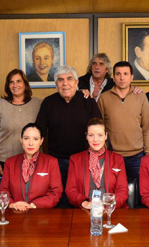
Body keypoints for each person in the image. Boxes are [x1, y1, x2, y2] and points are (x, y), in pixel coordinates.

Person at [36, 66, 102, 207]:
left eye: (69, 79)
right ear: (56, 85)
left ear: (77, 82)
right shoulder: (48, 102)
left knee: (80, 199)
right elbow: (39, 132)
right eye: (60, 80)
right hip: (57, 162)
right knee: (60, 201)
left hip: (83, 161)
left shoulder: (88, 101)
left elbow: (99, 128)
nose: (65, 83)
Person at [98, 61, 149, 183]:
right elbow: (99, 128)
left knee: (138, 193)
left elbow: (147, 127)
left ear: (131, 77)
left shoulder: (140, 96)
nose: (122, 77)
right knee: (113, 191)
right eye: (118, 74)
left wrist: (148, 153)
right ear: (113, 77)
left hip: (137, 156)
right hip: (112, 155)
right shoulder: (104, 98)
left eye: (125, 74)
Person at [0, 69, 42, 183]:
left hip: (32, 161)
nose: (15, 85)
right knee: (5, 198)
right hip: (4, 162)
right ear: (8, 85)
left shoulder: (37, 104)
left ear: (25, 84)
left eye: (18, 81)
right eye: (11, 82)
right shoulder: (1, 105)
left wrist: (81, 91)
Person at [66, 118, 129, 209]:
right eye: (91, 135)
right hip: (85, 210)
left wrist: (107, 206)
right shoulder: (75, 159)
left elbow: (122, 191)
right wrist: (85, 203)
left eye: (100, 135)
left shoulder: (117, 159)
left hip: (111, 210)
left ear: (106, 136)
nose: (95, 140)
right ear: (86, 136)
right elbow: (71, 190)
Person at [0, 123, 62, 210]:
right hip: (15, 212)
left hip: (41, 215)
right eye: (26, 138)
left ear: (41, 141)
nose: (31, 143)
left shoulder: (51, 162)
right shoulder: (10, 162)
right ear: (21, 140)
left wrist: (33, 205)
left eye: (36, 139)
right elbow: (3, 192)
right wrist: (13, 204)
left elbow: (56, 193)